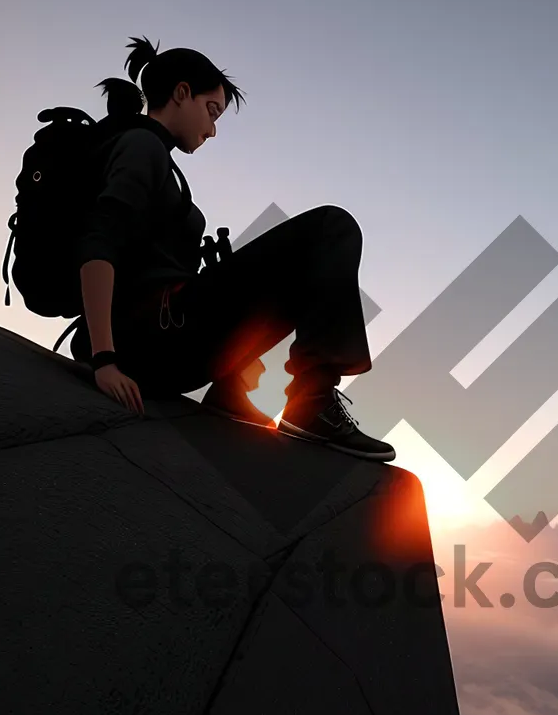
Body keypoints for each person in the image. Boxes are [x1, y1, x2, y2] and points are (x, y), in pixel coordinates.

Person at [68, 35, 395, 462]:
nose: (212, 129)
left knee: (299, 265)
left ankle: (230, 389)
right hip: (147, 341)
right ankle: (312, 401)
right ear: (181, 93)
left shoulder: (157, 162)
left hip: (163, 338)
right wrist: (105, 358)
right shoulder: (141, 146)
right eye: (211, 111)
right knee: (331, 228)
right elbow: (99, 243)